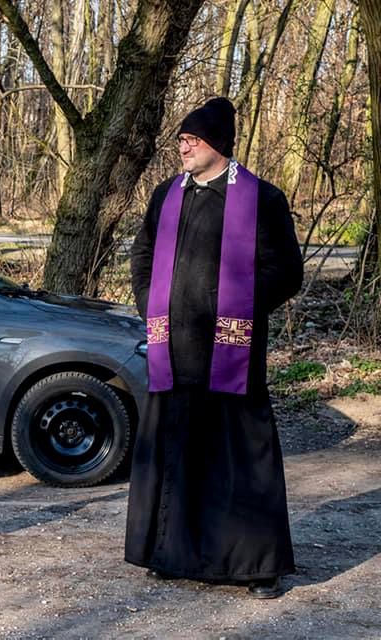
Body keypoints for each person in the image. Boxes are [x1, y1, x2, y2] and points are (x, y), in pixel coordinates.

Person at [124, 97, 303, 599]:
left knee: (242, 459)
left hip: (230, 353)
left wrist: (239, 303)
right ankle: (169, 553)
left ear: (217, 145)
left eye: (192, 140)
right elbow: (142, 254)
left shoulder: (261, 199)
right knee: (175, 451)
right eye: (180, 139)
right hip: (172, 348)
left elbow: (287, 269)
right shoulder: (166, 196)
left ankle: (255, 566)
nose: (182, 147)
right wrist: (147, 301)